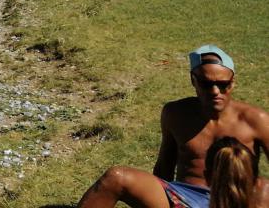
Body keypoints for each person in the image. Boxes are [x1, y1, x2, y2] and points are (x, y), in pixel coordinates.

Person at [76, 45, 269, 208]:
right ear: (193, 80)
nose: (215, 91)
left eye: (223, 84)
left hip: (237, 199)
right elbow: (164, 167)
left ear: (233, 83)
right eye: (206, 83)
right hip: (183, 197)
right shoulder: (176, 113)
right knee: (116, 177)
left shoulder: (256, 119)